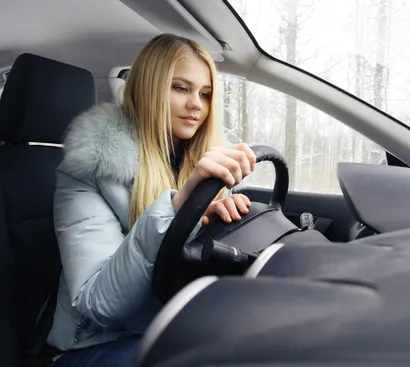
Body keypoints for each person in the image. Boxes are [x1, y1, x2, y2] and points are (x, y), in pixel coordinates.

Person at [47, 33, 256, 366]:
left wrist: (216, 225)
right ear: (149, 88)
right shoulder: (88, 170)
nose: (196, 106)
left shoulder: (202, 160)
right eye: (180, 88)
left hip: (174, 324)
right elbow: (100, 305)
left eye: (205, 93)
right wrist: (178, 207)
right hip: (94, 343)